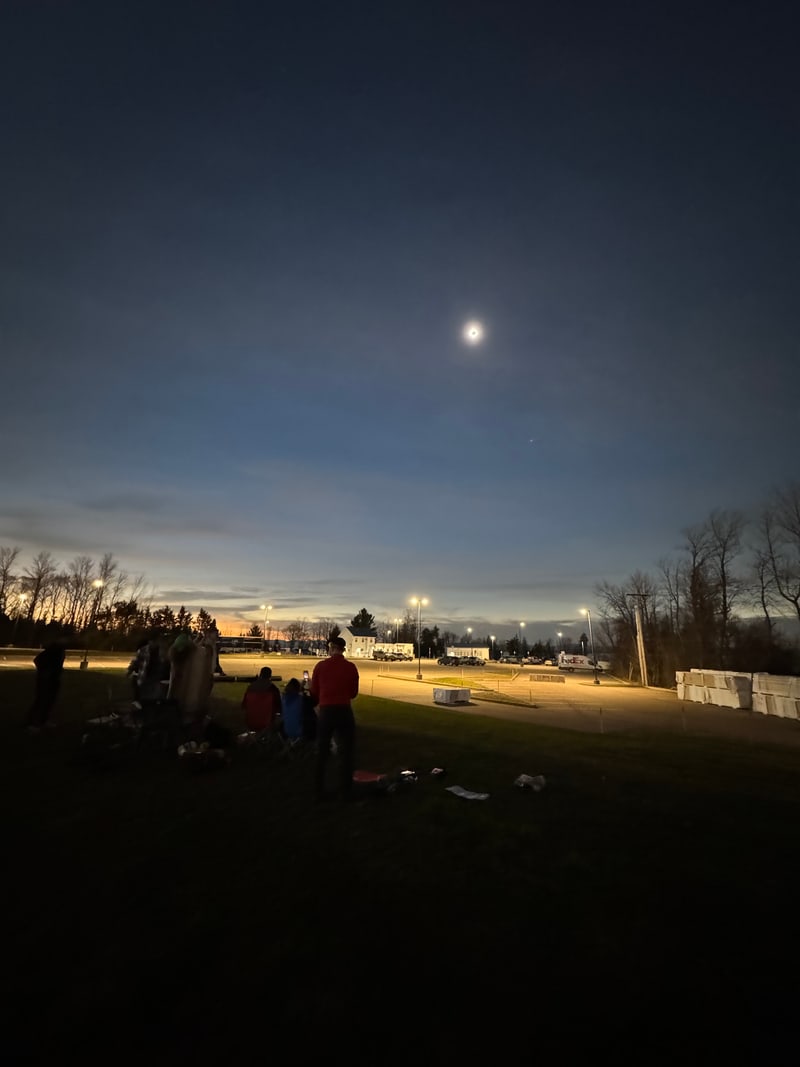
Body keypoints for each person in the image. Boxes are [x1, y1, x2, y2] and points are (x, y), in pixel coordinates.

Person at [310, 636, 359, 801]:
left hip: (326, 711)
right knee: (346, 752)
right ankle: (345, 790)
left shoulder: (320, 666)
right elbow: (353, 693)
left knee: (322, 751)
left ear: (331, 648)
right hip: (344, 710)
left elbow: (314, 692)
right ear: (343, 649)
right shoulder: (351, 667)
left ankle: (318, 790)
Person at [27, 641, 66, 731]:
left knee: (49, 701)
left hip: (54, 679)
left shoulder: (61, 649)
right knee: (41, 701)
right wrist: (45, 672)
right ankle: (31, 723)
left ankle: (43, 721)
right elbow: (37, 660)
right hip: (46, 680)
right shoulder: (55, 648)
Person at [242, 666, 282, 734]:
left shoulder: (250, 687)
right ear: (270, 676)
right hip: (267, 722)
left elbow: (244, 705)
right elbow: (279, 707)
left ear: (260, 674)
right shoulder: (273, 689)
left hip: (251, 721)